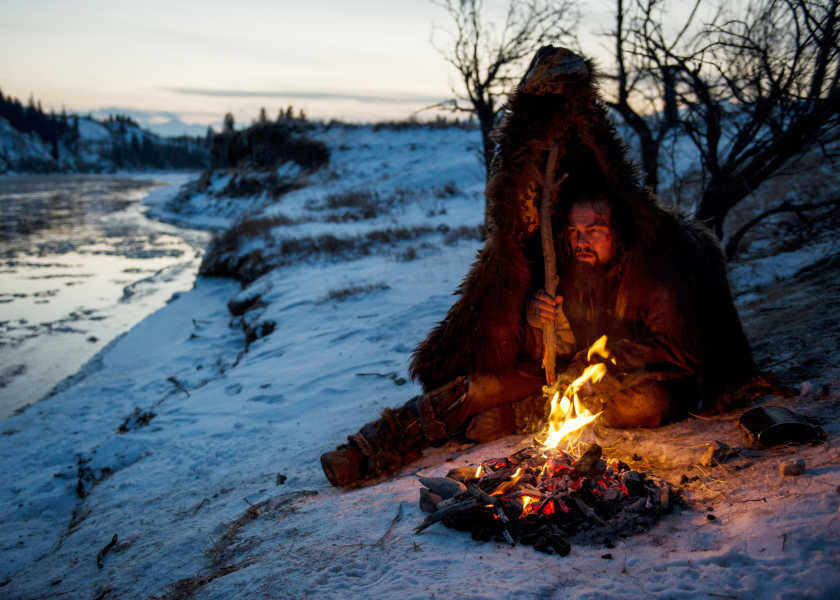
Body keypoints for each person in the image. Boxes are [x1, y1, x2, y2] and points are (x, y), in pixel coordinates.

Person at [320, 45, 756, 488]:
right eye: (575, 231)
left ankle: (516, 417)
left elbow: (676, 351)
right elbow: (540, 350)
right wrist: (534, 320)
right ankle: (369, 447)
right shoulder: (565, 264)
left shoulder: (652, 270)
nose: (582, 240)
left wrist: (594, 367)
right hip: (553, 381)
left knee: (645, 405)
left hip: (622, 384)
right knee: (476, 390)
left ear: (617, 230)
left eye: (595, 230)